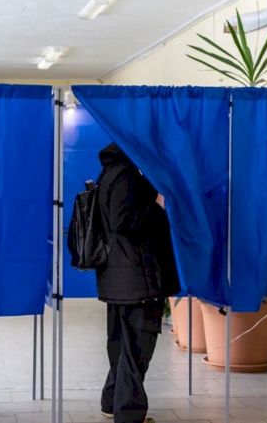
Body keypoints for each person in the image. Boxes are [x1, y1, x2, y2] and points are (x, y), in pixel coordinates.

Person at [95, 143, 181, 423]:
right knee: (137, 347)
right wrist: (158, 206)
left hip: (120, 277)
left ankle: (112, 402)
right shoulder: (127, 174)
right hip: (137, 279)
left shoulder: (110, 172)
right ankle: (129, 415)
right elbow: (123, 220)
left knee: (121, 345)